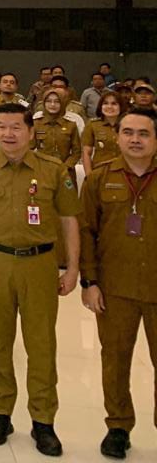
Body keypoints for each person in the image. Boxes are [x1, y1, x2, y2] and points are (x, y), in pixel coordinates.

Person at [0, 102, 80, 456]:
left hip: (39, 264)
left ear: (30, 132)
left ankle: (43, 420)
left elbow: (70, 219)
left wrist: (73, 268)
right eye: (2, 127)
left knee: (41, 345)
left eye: (16, 127)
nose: (8, 134)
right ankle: (0, 413)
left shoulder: (53, 169)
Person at [80, 108, 157, 460]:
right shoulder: (99, 178)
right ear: (117, 136)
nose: (135, 140)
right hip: (114, 288)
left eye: (143, 133)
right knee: (114, 360)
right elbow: (86, 231)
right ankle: (118, 426)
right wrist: (89, 282)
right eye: (128, 132)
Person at [33, 89, 82, 168]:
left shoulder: (70, 125)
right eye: (49, 101)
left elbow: (77, 152)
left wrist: (65, 167)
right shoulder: (36, 124)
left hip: (66, 170)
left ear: (62, 103)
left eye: (57, 101)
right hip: (42, 169)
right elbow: (28, 149)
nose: (52, 104)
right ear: (44, 103)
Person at [82, 90, 126, 174]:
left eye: (114, 104)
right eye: (105, 103)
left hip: (124, 172)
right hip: (100, 172)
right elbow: (86, 152)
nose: (109, 107)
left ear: (121, 106)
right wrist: (89, 176)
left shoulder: (128, 125)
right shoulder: (93, 125)